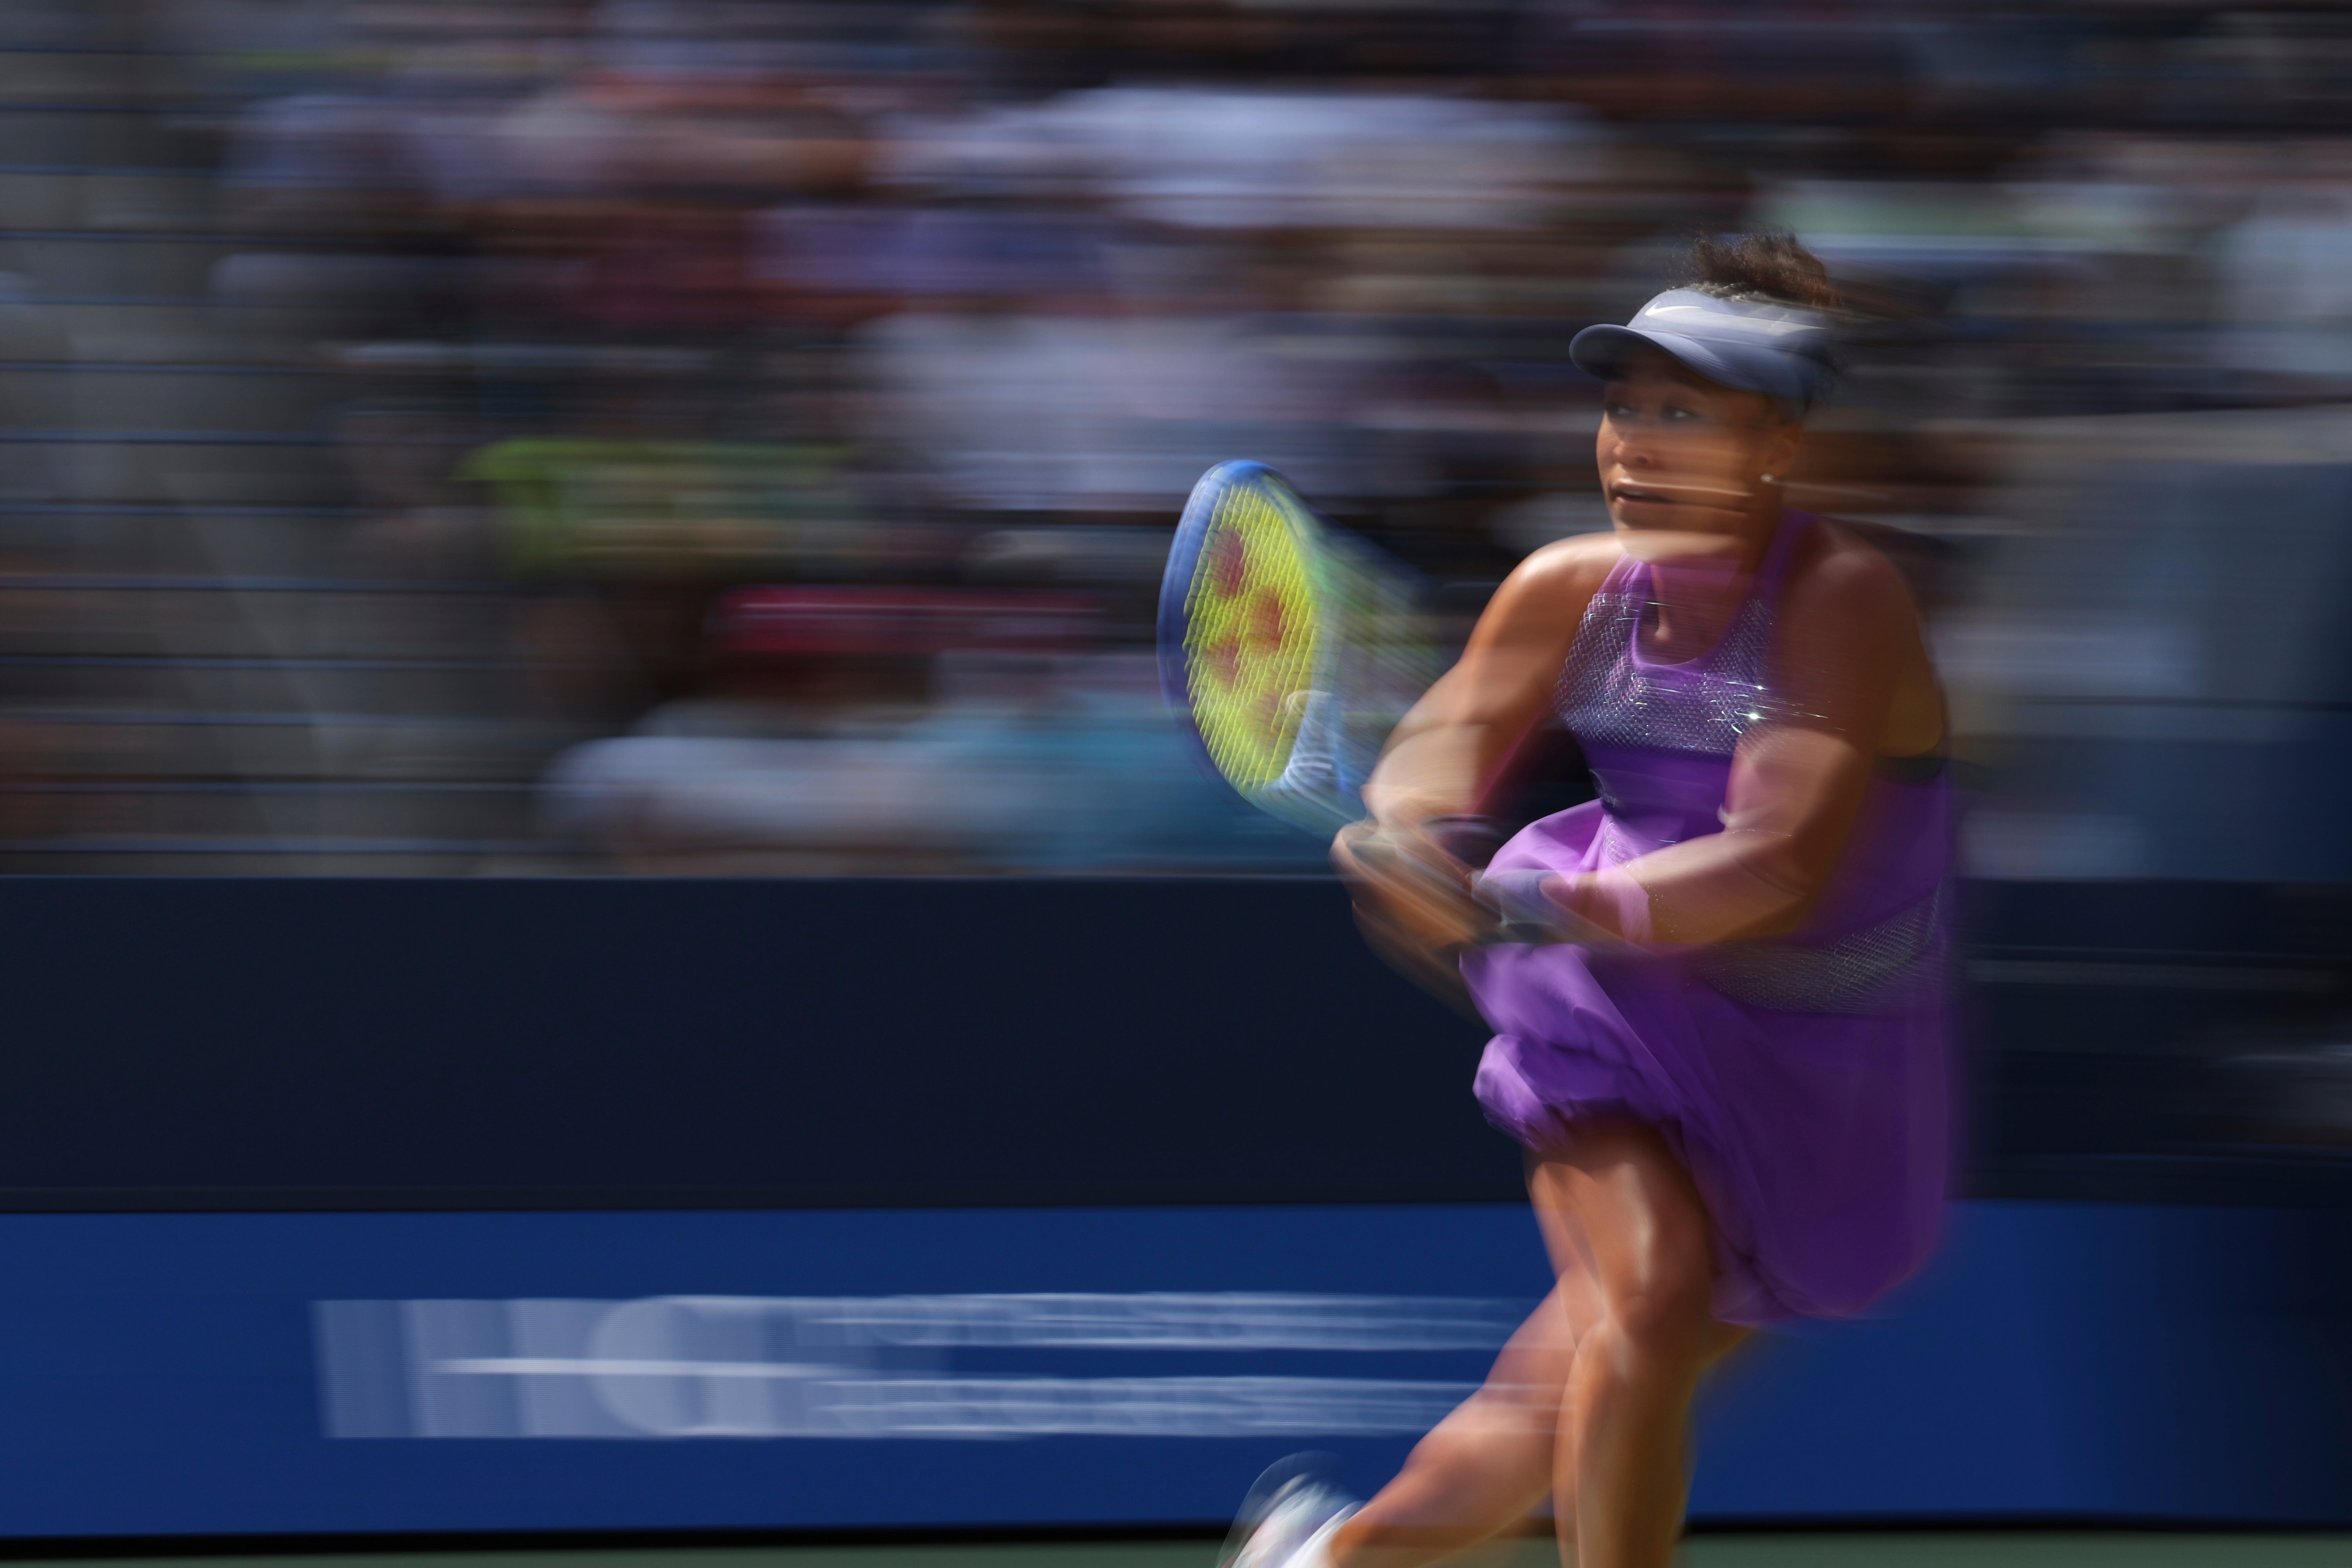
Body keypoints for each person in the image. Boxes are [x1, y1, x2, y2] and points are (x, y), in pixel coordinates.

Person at [1223, 233, 1951, 1568]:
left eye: (1685, 410)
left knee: (1553, 1400)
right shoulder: (1566, 587)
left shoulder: (1842, 599)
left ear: (1776, 442)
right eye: (1623, 404)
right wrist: (1401, 835)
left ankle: (1324, 1562)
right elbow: (1445, 741)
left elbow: (1777, 859)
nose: (1634, 441)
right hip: (1617, 1019)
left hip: (1820, 1052)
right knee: (1653, 1297)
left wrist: (1534, 915)